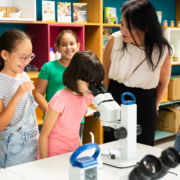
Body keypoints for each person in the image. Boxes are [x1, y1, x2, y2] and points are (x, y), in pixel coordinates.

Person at [103, 0, 171, 146]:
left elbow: (163, 83)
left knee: (143, 148)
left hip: (145, 103)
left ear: (146, 27)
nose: (123, 30)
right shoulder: (114, 41)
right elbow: (106, 74)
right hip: (116, 97)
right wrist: (109, 99)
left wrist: (155, 106)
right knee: (112, 146)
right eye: (121, 24)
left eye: (130, 27)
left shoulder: (161, 50)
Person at [38, 51, 104, 159]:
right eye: (89, 83)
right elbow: (44, 136)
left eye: (94, 83)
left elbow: (74, 129)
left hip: (72, 153)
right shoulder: (60, 100)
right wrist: (44, 162)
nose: (91, 88)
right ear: (75, 75)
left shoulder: (86, 97)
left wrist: (81, 150)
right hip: (53, 155)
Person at [33, 30, 85, 138]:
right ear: (57, 48)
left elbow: (86, 92)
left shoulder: (83, 68)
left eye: (72, 44)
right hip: (52, 121)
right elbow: (38, 93)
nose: (68, 47)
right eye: (63, 45)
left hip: (75, 120)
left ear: (78, 45)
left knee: (74, 151)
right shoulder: (48, 67)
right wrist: (51, 112)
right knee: (53, 152)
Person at [0, 29, 39, 168]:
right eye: (23, 57)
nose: (27, 61)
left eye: (30, 56)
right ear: (5, 54)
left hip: (32, 141)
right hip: (12, 147)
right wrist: (16, 96)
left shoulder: (25, 76)